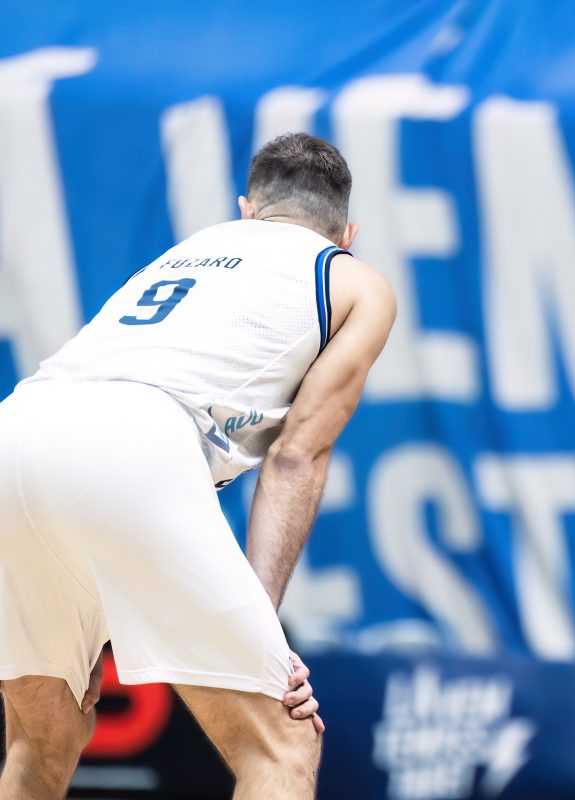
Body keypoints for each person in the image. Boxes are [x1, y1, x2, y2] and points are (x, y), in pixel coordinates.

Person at [0, 133, 396, 799]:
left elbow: (84, 449)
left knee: (41, 739)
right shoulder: (355, 279)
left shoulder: (186, 252)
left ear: (248, 210)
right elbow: (298, 455)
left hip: (19, 424)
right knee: (283, 743)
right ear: (347, 234)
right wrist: (262, 634)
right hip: (133, 440)